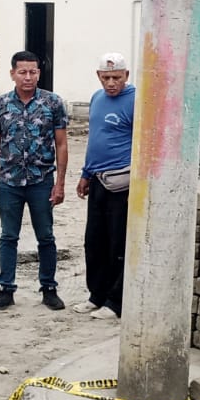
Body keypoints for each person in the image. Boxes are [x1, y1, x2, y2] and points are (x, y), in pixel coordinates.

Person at [0, 51, 69, 311]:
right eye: (22, 72)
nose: (28, 77)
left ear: (39, 73)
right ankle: (6, 289)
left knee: (46, 236)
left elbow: (62, 144)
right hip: (10, 182)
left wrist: (60, 183)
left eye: (33, 72)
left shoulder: (53, 103)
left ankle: (49, 288)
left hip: (41, 180)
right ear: (12, 74)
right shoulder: (0, 105)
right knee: (8, 236)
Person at [74, 53, 136, 320]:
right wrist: (86, 173)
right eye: (106, 77)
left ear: (126, 76)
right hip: (98, 179)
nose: (111, 83)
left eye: (116, 77)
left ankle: (115, 301)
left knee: (117, 243)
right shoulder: (97, 98)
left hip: (122, 183)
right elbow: (95, 139)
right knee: (94, 241)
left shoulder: (136, 101)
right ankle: (96, 295)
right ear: (98, 76)